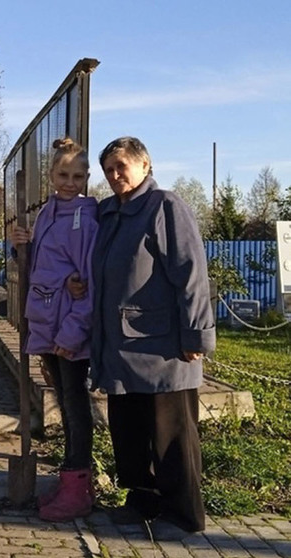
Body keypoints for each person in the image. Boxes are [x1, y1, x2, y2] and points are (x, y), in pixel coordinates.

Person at [89, 136, 215, 532]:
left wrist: (197, 334)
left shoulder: (165, 206)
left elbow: (190, 272)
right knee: (129, 431)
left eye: (121, 166)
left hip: (162, 347)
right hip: (120, 345)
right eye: (108, 169)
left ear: (145, 166)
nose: (114, 175)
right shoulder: (108, 212)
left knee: (171, 436)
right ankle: (141, 501)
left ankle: (183, 514)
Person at [11, 138, 98, 521]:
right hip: (46, 324)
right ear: (51, 175)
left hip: (67, 330)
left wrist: (71, 335)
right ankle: (68, 478)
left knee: (76, 405)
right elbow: (45, 267)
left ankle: (79, 485)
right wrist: (20, 246)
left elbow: (89, 284)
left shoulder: (86, 218)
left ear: (87, 177)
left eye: (78, 175)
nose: (70, 182)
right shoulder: (48, 211)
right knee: (62, 401)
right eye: (63, 174)